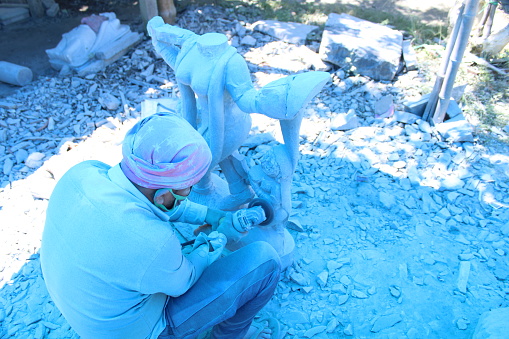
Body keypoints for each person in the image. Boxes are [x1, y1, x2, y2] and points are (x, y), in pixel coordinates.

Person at [40, 112, 282, 339]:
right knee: (266, 262)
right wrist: (215, 240)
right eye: (188, 187)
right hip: (132, 332)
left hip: (86, 309)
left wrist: (211, 215)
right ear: (163, 194)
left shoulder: (84, 172)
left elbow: (162, 202)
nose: (189, 193)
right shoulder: (152, 241)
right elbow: (185, 280)